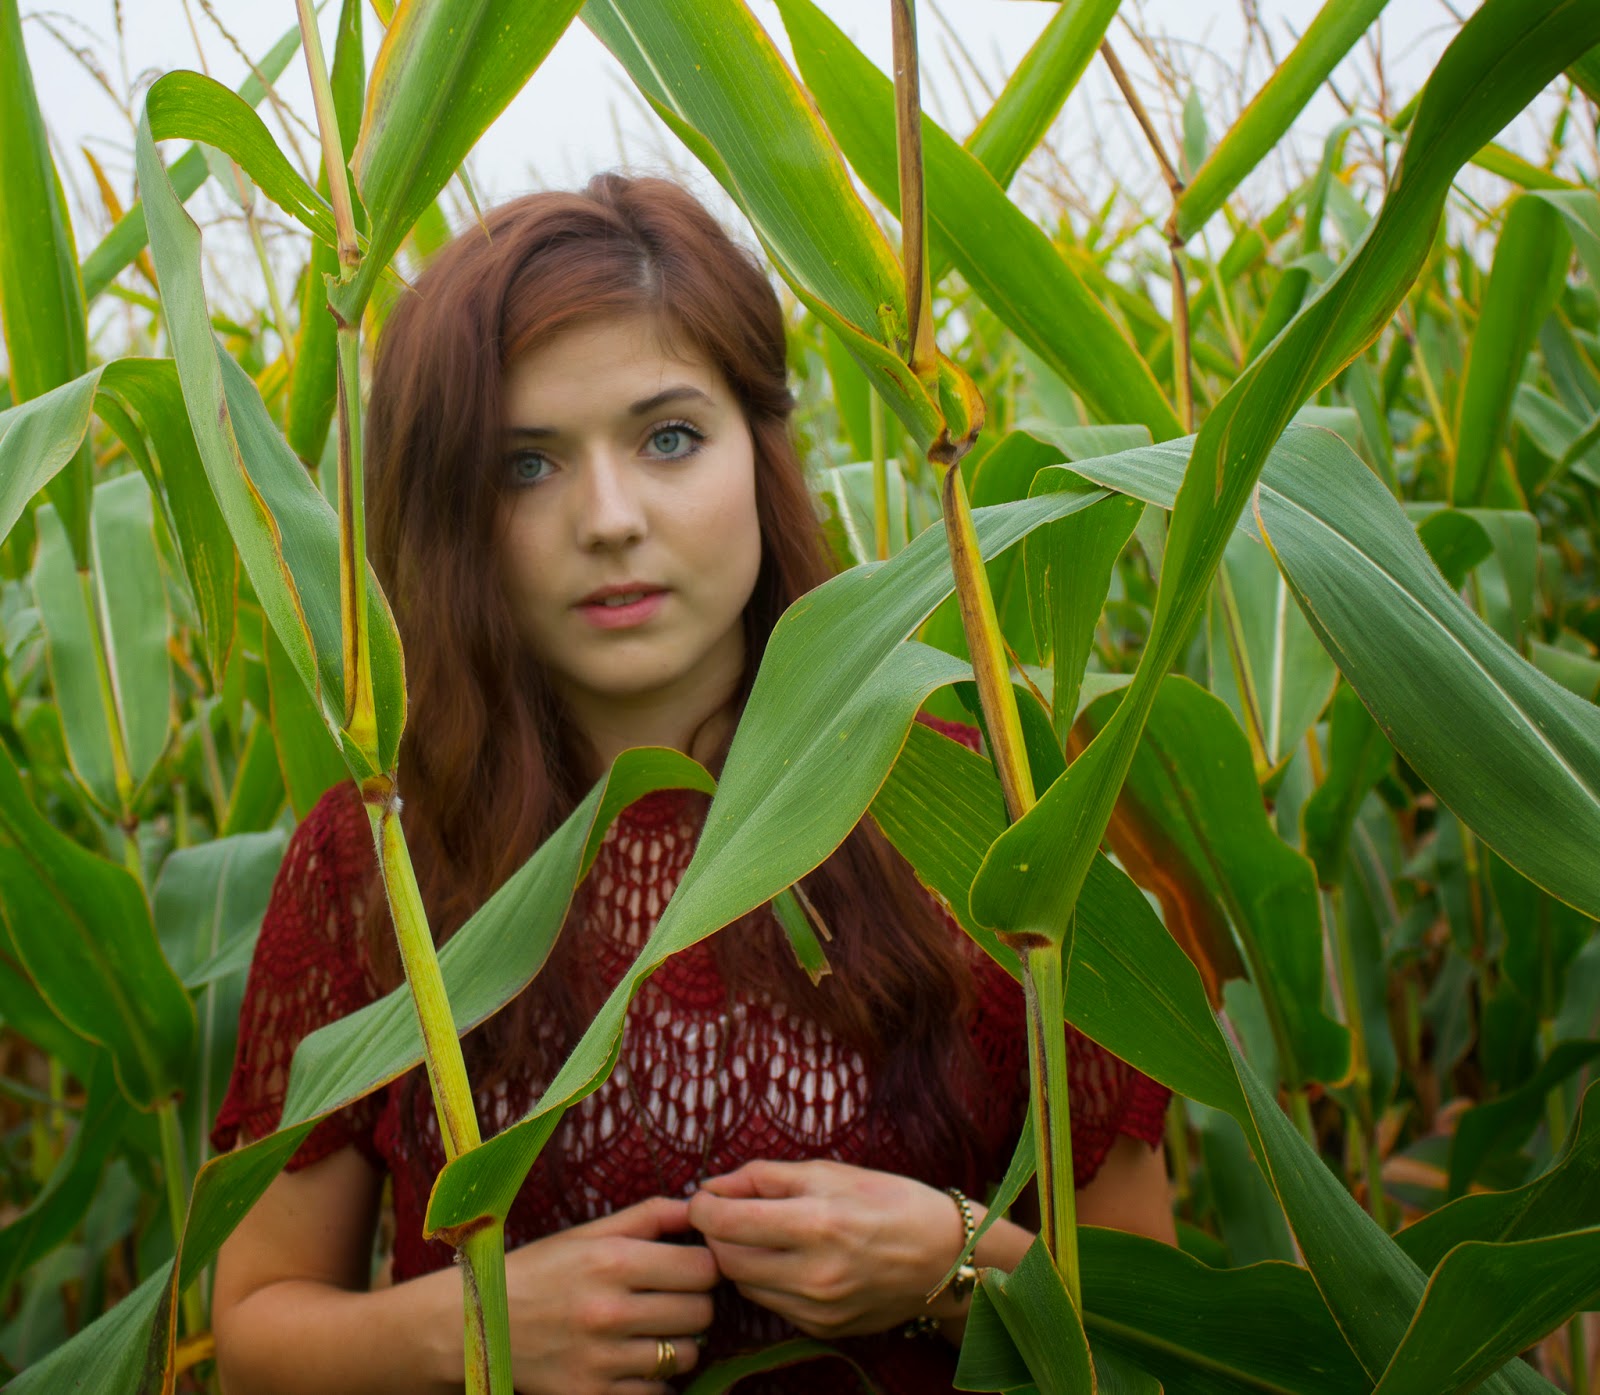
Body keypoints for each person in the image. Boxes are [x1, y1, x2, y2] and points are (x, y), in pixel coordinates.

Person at [209, 173, 1175, 1395]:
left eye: (668, 437)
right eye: (525, 466)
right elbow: (252, 1334)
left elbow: (1161, 1336)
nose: (610, 519)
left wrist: (959, 1262)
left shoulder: (982, 814)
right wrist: (471, 1327)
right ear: (451, 510)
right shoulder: (382, 856)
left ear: (761, 451)